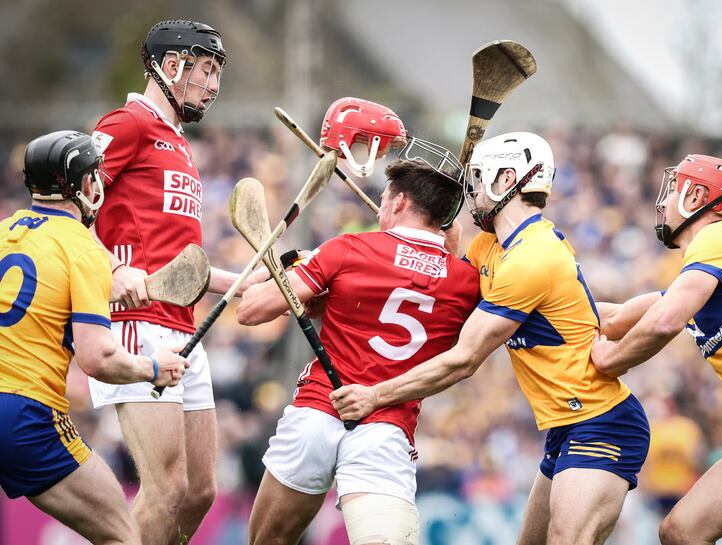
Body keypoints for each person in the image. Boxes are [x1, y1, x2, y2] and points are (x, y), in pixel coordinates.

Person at [332, 132, 651, 545]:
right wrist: (425, 240)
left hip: (603, 423)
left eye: (480, 180)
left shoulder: (532, 258)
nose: (474, 193)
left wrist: (376, 395)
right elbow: (444, 293)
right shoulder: (491, 246)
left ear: (506, 179)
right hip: (565, 426)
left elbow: (464, 359)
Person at [237, 143, 480, 545]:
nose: (380, 209)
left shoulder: (347, 248)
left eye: (384, 200)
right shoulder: (467, 281)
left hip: (317, 412)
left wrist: (298, 266)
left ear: (399, 201)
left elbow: (252, 311)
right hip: (386, 430)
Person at [86, 20, 267, 545]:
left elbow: (182, 269)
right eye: (207, 70)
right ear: (171, 67)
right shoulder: (128, 124)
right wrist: (113, 270)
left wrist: (251, 279)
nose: (214, 85)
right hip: (135, 325)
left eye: (217, 73)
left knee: (198, 493)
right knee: (164, 490)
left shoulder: (178, 143)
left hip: (182, 326)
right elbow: (68, 208)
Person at [590, 154, 722, 545]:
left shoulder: (721, 237)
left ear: (697, 195)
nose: (665, 201)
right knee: (682, 531)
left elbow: (665, 321)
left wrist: (610, 360)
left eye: (674, 189)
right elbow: (614, 318)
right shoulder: (697, 282)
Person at [0, 131, 188, 545]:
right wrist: (154, 368)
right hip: (25, 414)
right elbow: (98, 358)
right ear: (82, 185)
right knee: (122, 535)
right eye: (94, 176)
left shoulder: (4, 233)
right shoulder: (85, 249)